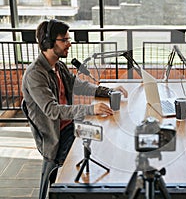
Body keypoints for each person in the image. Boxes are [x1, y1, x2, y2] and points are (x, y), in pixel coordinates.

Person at [21, 19, 128, 199]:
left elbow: (80, 86)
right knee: (103, 149)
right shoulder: (35, 75)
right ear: (48, 43)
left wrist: (108, 91)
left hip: (72, 127)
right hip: (58, 139)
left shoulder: (58, 66)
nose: (69, 43)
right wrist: (90, 109)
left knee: (111, 137)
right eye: (64, 40)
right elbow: (53, 111)